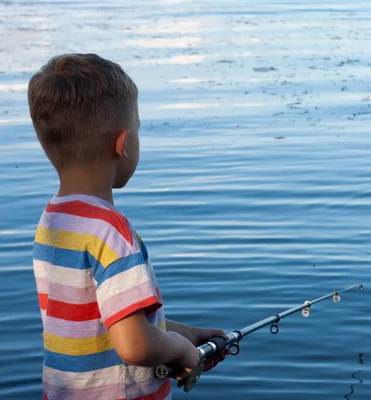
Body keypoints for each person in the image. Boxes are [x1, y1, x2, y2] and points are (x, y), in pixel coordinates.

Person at [28, 53, 228, 400]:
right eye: (137, 129)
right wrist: (181, 350)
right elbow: (134, 344)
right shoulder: (111, 229)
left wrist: (188, 333)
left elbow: (102, 325)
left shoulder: (53, 221)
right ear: (122, 144)